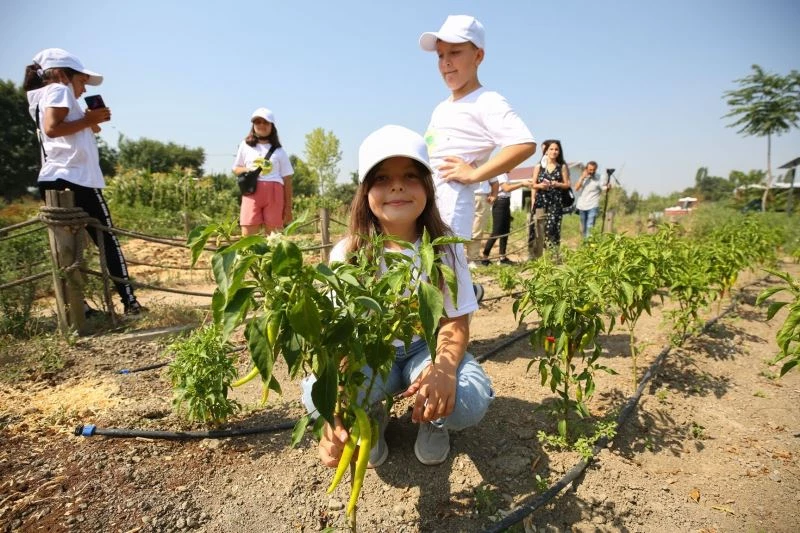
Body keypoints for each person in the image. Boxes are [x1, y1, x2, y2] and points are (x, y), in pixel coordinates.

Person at [303, 125, 494, 467]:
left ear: (427, 187)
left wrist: (444, 369)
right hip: (373, 354)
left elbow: (455, 320)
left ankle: (434, 418)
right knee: (317, 395)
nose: (396, 185)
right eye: (381, 178)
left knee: (467, 400)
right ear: (364, 192)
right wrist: (340, 405)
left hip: (427, 347)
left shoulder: (443, 248)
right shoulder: (348, 253)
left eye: (410, 175)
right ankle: (370, 417)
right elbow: (340, 338)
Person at [419, 15, 536, 293]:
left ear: (478, 55)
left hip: (453, 204)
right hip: (429, 200)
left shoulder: (487, 101)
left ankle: (464, 310)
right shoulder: (442, 107)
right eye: (441, 55)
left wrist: (475, 174)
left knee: (446, 279)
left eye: (456, 53)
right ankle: (469, 296)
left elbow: (524, 143)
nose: (446, 62)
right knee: (428, 273)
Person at [23, 48, 142, 316]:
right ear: (63, 74)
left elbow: (68, 130)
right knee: (106, 239)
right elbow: (53, 129)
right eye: (81, 81)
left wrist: (92, 120)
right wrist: (88, 119)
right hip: (77, 178)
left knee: (67, 246)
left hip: (52, 178)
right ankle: (130, 302)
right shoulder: (59, 90)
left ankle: (78, 308)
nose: (82, 88)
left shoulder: (39, 96)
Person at [232, 108, 293, 236]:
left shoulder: (279, 151)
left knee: (274, 238)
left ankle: (270, 257)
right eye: (257, 122)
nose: (261, 125)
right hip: (251, 191)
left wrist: (288, 209)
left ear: (272, 126)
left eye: (265, 122)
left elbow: (287, 179)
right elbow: (236, 168)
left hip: (274, 194)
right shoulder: (245, 145)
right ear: (253, 125)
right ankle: (248, 256)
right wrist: (247, 170)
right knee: (248, 235)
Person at [531, 139, 571, 258]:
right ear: (546, 151)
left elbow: (567, 184)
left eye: (556, 149)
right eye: (551, 149)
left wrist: (557, 184)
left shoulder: (562, 167)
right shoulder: (539, 166)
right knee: (539, 229)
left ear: (559, 152)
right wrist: (540, 185)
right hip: (541, 201)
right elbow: (533, 184)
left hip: (555, 202)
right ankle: (538, 257)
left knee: (553, 229)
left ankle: (553, 257)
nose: (554, 151)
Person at [482, 173, 530, 265]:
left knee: (505, 231)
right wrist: (522, 184)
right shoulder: (500, 174)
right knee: (496, 231)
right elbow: (506, 188)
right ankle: (485, 257)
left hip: (505, 202)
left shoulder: (505, 175)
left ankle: (502, 257)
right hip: (500, 202)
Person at [466, 177, 498, 268]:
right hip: (462, 194)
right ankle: (463, 258)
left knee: (477, 229)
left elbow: (494, 181)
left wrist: (494, 195)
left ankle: (472, 258)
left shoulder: (485, 162)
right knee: (459, 227)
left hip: (480, 195)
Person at [575, 161, 606, 239]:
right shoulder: (582, 177)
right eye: (590, 170)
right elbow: (576, 188)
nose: (592, 171)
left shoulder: (599, 177)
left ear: (596, 169)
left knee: (590, 226)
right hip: (582, 205)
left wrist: (608, 187)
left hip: (593, 205)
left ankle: (589, 245)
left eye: (593, 170)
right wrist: (582, 178)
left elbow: (604, 188)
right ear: (586, 169)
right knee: (583, 227)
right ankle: (584, 244)